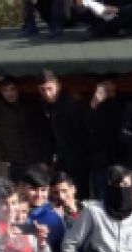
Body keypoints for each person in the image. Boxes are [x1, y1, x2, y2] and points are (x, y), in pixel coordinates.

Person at [0, 78, 54, 182]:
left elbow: (46, 133)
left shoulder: (31, 105)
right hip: (14, 163)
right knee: (17, 194)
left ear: (18, 90)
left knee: (38, 193)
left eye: (12, 89)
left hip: (35, 161)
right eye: (5, 90)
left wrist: (46, 160)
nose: (9, 93)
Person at [38, 72, 93, 200]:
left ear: (58, 86)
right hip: (62, 160)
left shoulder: (72, 105)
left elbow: (81, 133)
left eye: (49, 88)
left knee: (77, 195)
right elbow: (49, 136)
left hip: (77, 159)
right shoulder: (47, 107)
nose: (47, 93)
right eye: (43, 90)